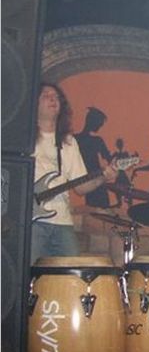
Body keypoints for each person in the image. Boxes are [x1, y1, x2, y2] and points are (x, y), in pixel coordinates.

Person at [32, 83, 117, 263]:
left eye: (56, 97)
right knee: (27, 273)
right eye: (46, 95)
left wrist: (103, 177)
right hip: (31, 221)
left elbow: (81, 187)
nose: (53, 99)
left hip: (62, 221)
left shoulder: (68, 142)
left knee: (71, 274)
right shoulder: (24, 139)